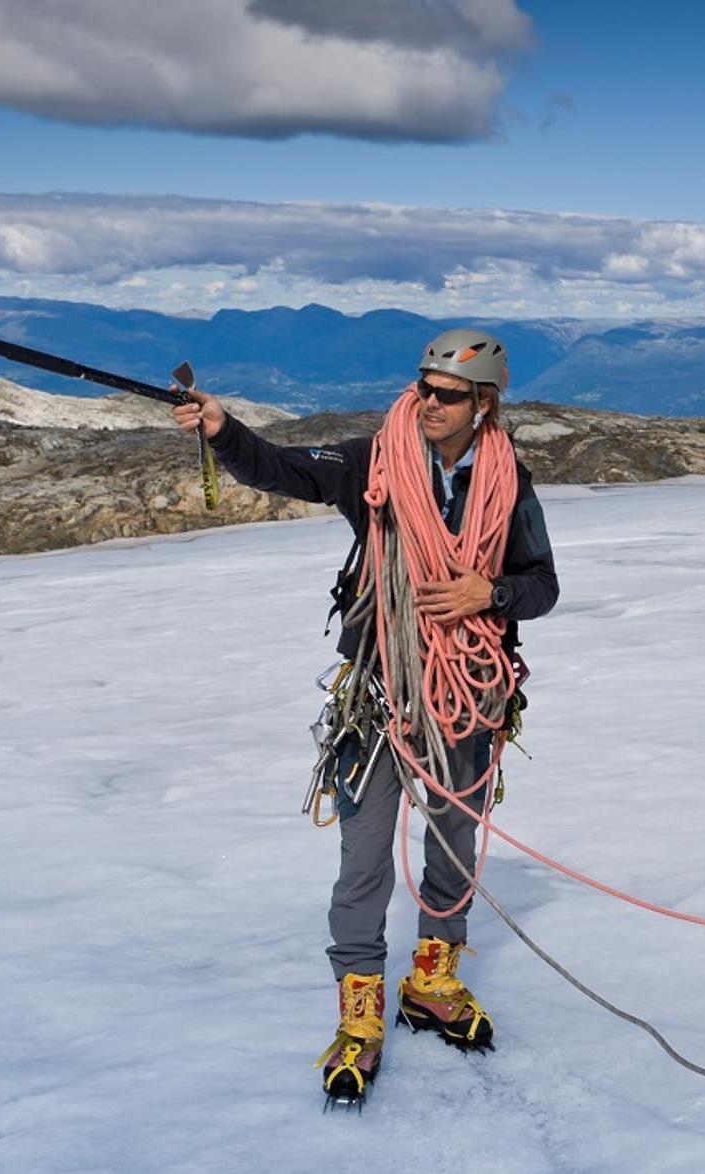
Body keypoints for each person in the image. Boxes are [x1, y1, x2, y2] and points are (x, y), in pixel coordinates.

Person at [171, 328, 559, 1103]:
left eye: (447, 395)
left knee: (454, 844)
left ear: (485, 405)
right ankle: (360, 1011)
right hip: (381, 693)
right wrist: (223, 430)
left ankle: (432, 981)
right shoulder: (372, 462)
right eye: (422, 387)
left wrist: (494, 594)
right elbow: (283, 469)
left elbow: (542, 584)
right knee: (365, 856)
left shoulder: (508, 483)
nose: (428, 404)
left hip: (467, 694)